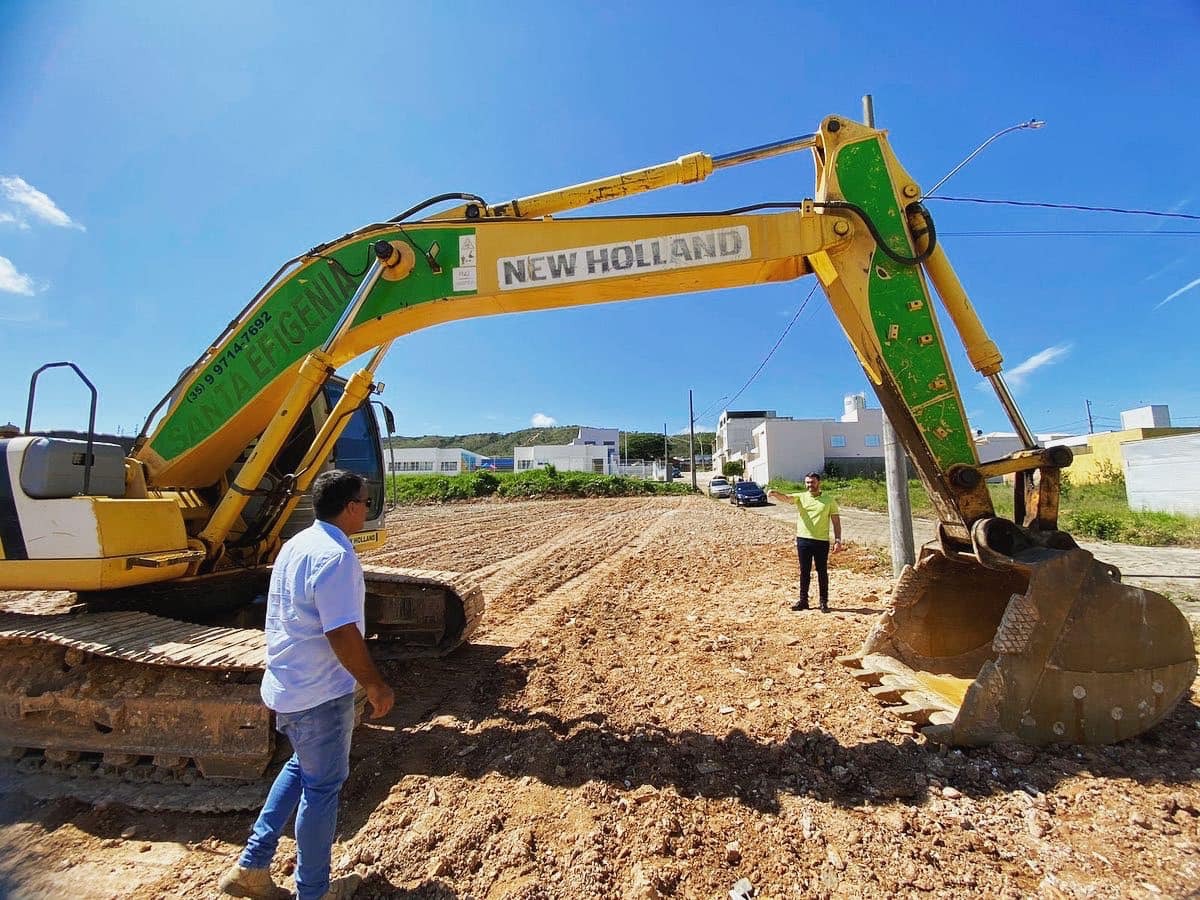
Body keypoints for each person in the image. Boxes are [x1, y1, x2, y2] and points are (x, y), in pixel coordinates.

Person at [220, 470, 395, 900]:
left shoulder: (296, 544)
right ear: (351, 507)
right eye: (366, 502)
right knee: (321, 790)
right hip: (320, 694)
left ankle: (252, 866)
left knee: (302, 766)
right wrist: (375, 685)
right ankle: (313, 892)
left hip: (288, 686)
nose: (366, 509)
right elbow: (341, 631)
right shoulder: (336, 557)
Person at [788, 472, 842, 612]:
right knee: (804, 572)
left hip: (821, 541)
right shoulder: (801, 497)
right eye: (807, 482)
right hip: (803, 540)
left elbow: (836, 522)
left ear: (819, 483)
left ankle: (824, 602)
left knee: (822, 572)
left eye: (812, 482)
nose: (809, 485)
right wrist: (775, 493)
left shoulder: (829, 500)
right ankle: (803, 601)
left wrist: (838, 540)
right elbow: (787, 498)